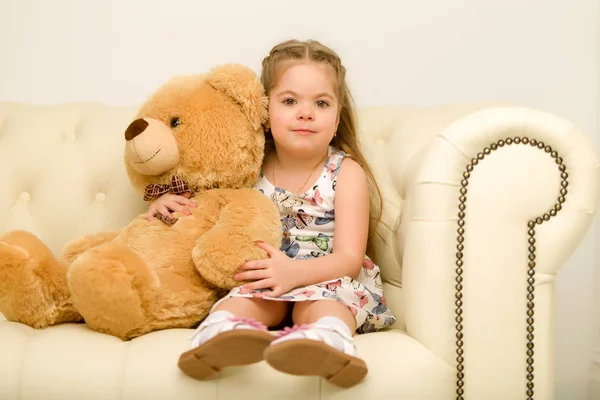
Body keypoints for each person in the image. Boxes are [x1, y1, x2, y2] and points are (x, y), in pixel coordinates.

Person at [147, 39, 396, 388]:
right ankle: (219, 336)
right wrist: (164, 204)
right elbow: (204, 204)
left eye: (321, 103)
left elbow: (349, 258)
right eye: (290, 101)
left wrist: (295, 273)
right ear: (265, 114)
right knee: (248, 298)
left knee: (324, 306)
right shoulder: (248, 166)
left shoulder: (344, 172)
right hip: (264, 275)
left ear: (337, 118)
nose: (305, 112)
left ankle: (325, 342)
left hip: (325, 276)